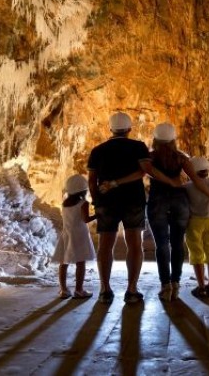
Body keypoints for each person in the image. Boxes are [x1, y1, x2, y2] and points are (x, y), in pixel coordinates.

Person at [87, 112, 180, 304]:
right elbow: (144, 171)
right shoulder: (138, 147)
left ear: (110, 129)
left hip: (106, 202)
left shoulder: (98, 150)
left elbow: (91, 180)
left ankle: (104, 289)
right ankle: (132, 290)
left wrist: (97, 200)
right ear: (129, 129)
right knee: (135, 244)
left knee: (105, 245)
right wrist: (171, 181)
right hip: (133, 201)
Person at [147, 123, 209, 302]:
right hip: (180, 201)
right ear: (173, 140)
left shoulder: (149, 158)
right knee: (177, 243)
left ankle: (166, 286)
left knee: (162, 245)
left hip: (157, 201)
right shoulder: (181, 158)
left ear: (155, 139)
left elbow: (146, 171)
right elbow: (196, 180)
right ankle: (176, 284)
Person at [184, 156, 209, 298]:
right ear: (207, 171)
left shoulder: (186, 187)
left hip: (194, 222)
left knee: (196, 253)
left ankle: (201, 287)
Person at [53, 174, 96, 299]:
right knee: (80, 263)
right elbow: (86, 219)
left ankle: (64, 290)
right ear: (83, 189)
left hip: (66, 233)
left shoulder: (65, 203)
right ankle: (79, 290)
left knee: (63, 262)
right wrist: (98, 215)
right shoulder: (83, 203)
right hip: (80, 235)